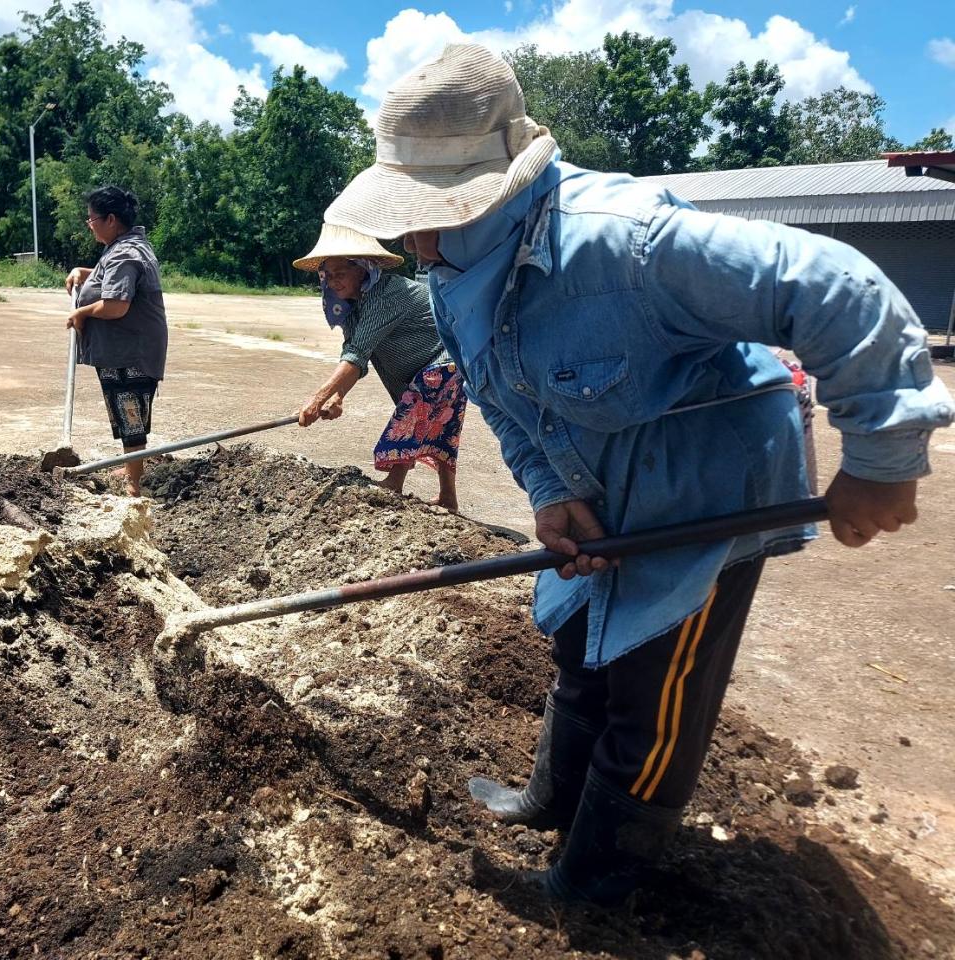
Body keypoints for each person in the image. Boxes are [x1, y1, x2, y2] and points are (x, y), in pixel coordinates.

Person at [323, 44, 953, 905]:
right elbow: (500, 396)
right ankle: (551, 803)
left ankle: (596, 886)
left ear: (503, 187)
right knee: (580, 646)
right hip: (602, 472)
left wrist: (881, 460)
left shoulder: (627, 246)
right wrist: (552, 494)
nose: (417, 239)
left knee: (654, 691)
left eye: (434, 212)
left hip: (709, 485)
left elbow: (843, 288)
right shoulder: (451, 273)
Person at [294, 224, 467, 512]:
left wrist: (318, 397)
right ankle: (448, 498)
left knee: (414, 417)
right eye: (328, 275)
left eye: (341, 273)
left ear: (363, 268)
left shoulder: (388, 293)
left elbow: (357, 353)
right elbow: (353, 354)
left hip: (444, 361)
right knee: (442, 430)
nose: (333, 282)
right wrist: (337, 397)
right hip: (417, 371)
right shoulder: (351, 305)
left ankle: (394, 481)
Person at [64, 186, 168, 497]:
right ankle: (130, 463)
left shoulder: (125, 253)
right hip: (123, 349)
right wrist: (83, 273)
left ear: (111, 219)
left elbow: (115, 305)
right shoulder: (121, 247)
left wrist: (81, 312)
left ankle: (133, 483)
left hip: (130, 352)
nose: (89, 224)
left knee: (130, 413)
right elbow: (105, 276)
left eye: (91, 219)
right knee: (125, 412)